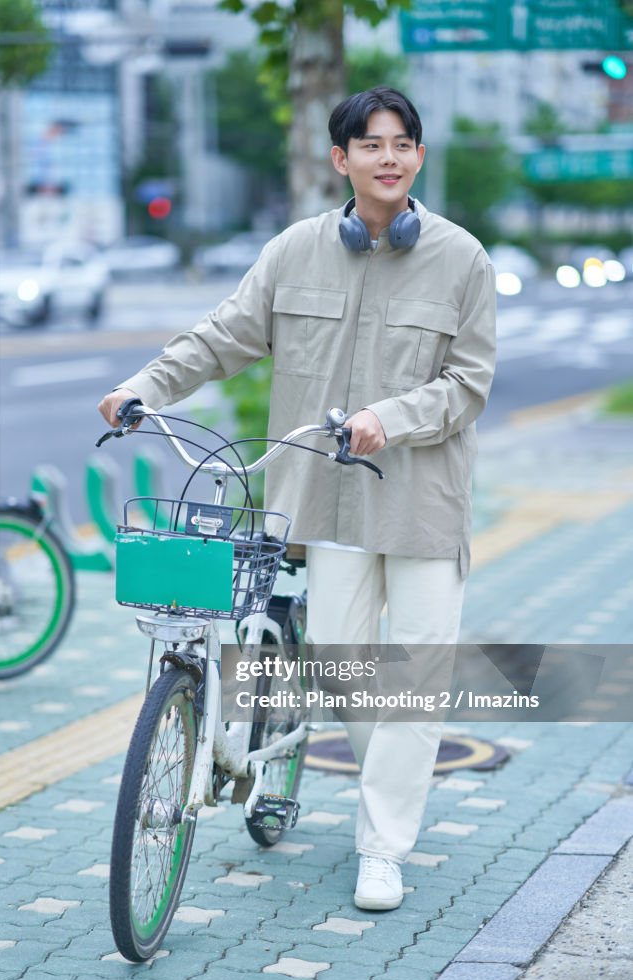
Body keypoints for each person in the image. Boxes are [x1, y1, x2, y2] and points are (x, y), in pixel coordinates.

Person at [99, 85, 496, 912]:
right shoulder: (293, 252)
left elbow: (468, 385)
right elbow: (222, 335)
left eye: (402, 144)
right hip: (323, 502)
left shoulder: (462, 259)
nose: (388, 158)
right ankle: (385, 792)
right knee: (345, 674)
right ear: (340, 159)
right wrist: (144, 386)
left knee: (414, 679)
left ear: (418, 157)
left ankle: (381, 845)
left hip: (422, 505)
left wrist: (389, 418)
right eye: (371, 145)